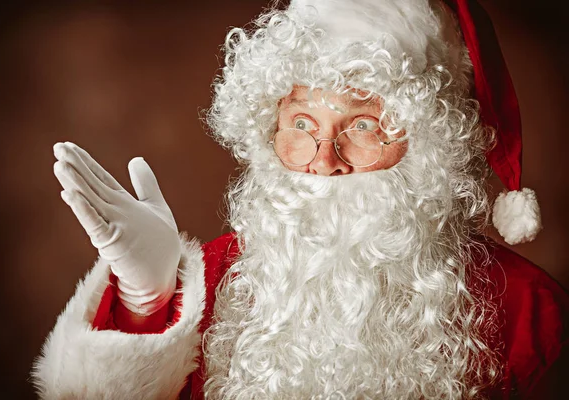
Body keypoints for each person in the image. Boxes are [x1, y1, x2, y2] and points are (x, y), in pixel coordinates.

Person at [33, 0, 569, 399]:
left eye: (363, 125)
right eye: (302, 124)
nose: (323, 160)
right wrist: (145, 301)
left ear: (432, 143)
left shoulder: (531, 311)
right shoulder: (214, 278)